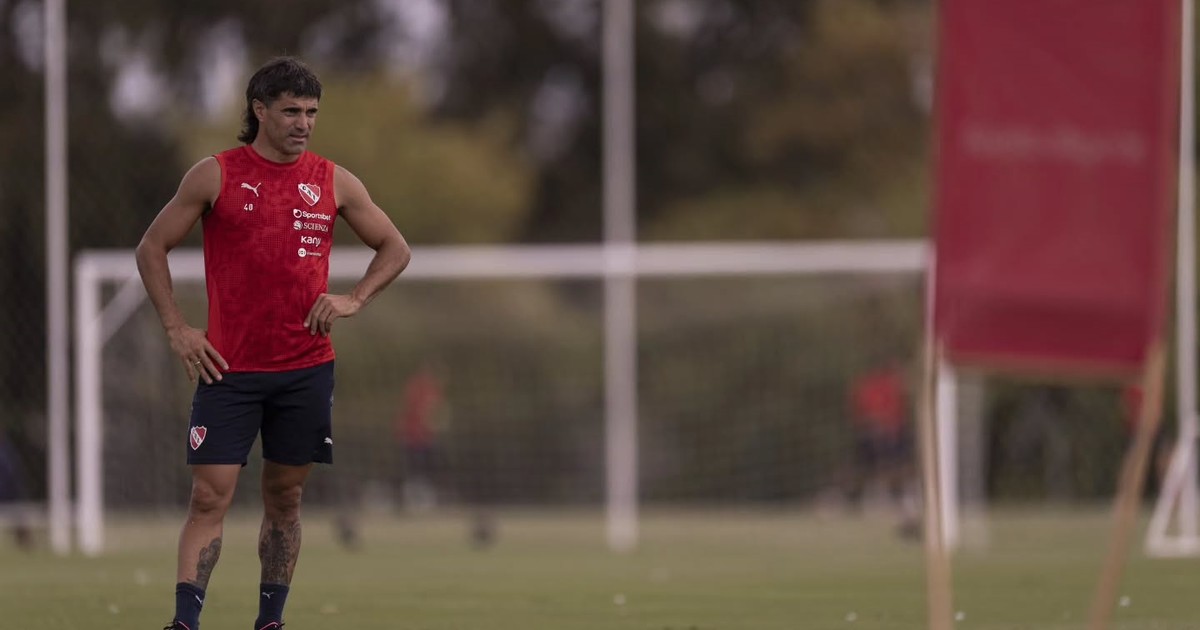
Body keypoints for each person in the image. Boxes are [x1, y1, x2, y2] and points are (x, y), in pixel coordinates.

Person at [135, 56, 410, 630]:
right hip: (227, 369)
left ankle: (269, 622)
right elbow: (151, 248)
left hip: (305, 369)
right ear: (259, 110)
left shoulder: (334, 181)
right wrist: (178, 328)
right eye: (290, 111)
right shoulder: (215, 175)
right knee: (209, 497)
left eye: (311, 112)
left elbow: (395, 247)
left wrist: (354, 298)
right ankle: (184, 623)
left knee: (285, 500)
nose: (303, 123)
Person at [845, 360, 919, 538]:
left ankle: (905, 509)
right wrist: (878, 428)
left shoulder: (895, 386)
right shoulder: (872, 387)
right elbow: (864, 413)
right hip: (879, 436)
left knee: (897, 472)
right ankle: (850, 500)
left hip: (893, 435)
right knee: (880, 472)